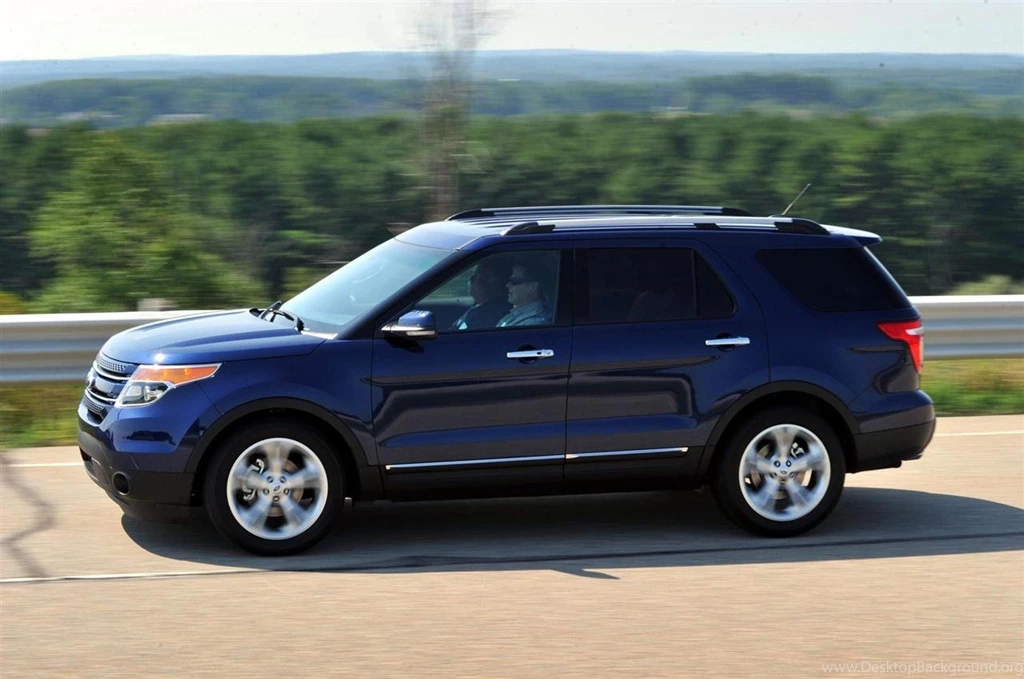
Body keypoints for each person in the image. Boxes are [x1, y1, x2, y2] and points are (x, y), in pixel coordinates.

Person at [450, 259, 511, 330]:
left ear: (493, 281)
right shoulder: (477, 308)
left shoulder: (493, 314)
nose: (471, 278)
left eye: (479, 273)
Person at [497, 257, 555, 327]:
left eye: (514, 281)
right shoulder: (514, 315)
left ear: (533, 287)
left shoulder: (534, 323)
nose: (508, 285)